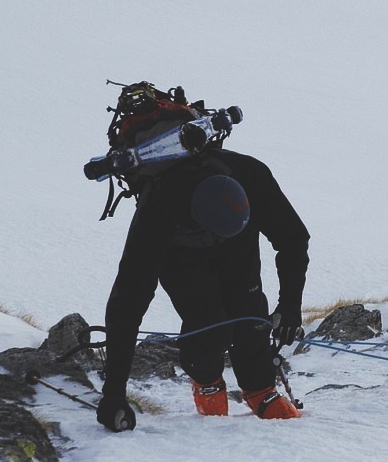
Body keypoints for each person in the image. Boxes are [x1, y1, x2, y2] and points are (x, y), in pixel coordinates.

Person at [94, 102, 310, 432]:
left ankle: (260, 389)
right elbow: (127, 303)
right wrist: (113, 396)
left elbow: (293, 239)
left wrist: (290, 306)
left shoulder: (252, 175)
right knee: (208, 323)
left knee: (251, 316)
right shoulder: (158, 212)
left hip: (240, 244)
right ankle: (206, 380)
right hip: (181, 257)